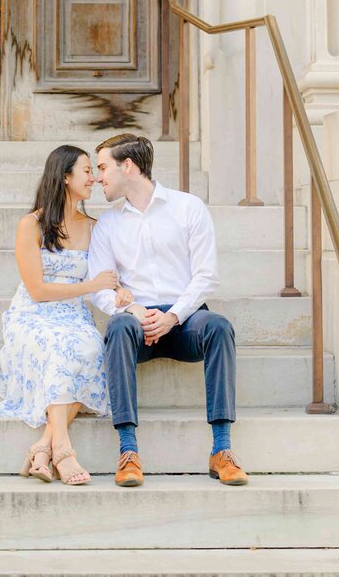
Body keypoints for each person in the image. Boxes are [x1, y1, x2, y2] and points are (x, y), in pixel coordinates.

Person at [0, 144, 132, 485]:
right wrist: (90, 286)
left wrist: (120, 291)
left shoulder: (95, 227)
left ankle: (43, 445)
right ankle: (64, 450)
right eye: (87, 171)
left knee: (89, 349)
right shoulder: (32, 225)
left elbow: (109, 277)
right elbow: (38, 290)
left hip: (74, 317)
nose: (94, 178)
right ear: (65, 176)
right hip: (33, 315)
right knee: (57, 348)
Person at [87, 133, 248, 489]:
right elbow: (99, 286)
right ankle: (128, 451)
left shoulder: (188, 207)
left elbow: (207, 276)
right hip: (137, 323)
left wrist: (173, 316)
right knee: (116, 329)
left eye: (103, 167)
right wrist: (133, 309)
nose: (99, 177)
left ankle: (222, 449)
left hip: (185, 321)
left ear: (127, 166)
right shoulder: (108, 224)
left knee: (219, 326)